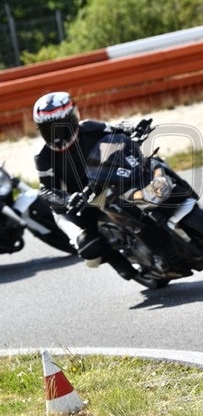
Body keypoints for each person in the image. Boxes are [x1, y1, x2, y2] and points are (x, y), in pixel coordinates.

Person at [32, 91, 139, 279]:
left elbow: (117, 130)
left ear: (73, 119)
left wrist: (133, 128)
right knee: (89, 246)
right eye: (48, 129)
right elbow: (47, 189)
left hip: (106, 183)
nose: (56, 135)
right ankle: (118, 263)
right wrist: (67, 200)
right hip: (77, 203)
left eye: (61, 127)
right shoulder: (43, 157)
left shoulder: (89, 127)